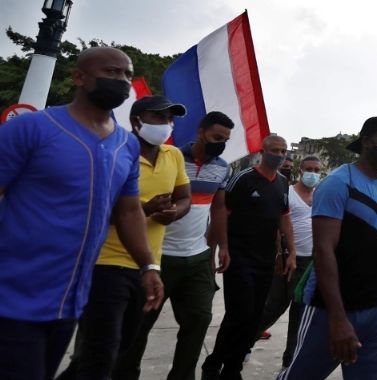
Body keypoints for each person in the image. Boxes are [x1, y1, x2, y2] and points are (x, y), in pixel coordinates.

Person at [0, 47, 162, 380]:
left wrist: (148, 264)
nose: (121, 81)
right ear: (79, 77)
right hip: (14, 298)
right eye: (112, 72)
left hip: (71, 300)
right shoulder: (32, 129)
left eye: (127, 75)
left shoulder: (126, 145)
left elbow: (129, 210)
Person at [60, 96, 191, 379]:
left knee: (118, 349)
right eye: (158, 118)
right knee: (101, 352)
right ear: (136, 121)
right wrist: (143, 209)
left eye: (170, 119)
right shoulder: (113, 152)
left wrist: (174, 212)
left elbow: (184, 197)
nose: (166, 125)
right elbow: (89, 207)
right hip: (105, 262)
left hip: (147, 266)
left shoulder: (174, 155)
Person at [116, 111, 235, 380]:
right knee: (138, 326)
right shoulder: (171, 158)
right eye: (217, 137)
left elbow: (218, 208)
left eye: (226, 139)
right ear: (200, 132)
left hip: (196, 257)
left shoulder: (223, 168)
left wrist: (222, 246)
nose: (221, 143)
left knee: (199, 320)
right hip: (159, 256)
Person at [281, 116, 377, 379]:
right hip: (330, 310)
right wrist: (337, 318)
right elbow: (323, 250)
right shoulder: (338, 183)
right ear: (367, 142)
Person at [202, 134, 297, 380]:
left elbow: (283, 218)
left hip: (265, 260)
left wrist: (289, 252)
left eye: (283, 151)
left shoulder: (282, 183)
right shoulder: (243, 179)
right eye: (274, 150)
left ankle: (233, 369)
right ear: (262, 151)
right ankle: (213, 366)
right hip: (239, 257)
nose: (279, 155)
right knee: (239, 313)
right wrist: (218, 250)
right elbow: (221, 212)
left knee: (254, 316)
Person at [256, 155, 324, 368]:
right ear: (301, 171)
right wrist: (279, 254)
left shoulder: (319, 195)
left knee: (300, 313)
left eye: (316, 169)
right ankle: (243, 342)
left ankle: (290, 361)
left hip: (311, 263)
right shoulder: (288, 192)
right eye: (308, 169)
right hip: (288, 259)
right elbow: (278, 225)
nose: (312, 173)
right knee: (274, 307)